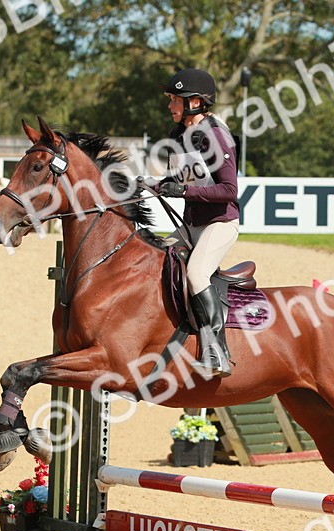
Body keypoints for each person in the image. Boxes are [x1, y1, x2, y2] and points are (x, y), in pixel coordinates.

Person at [143, 68, 240, 378]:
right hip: (190, 225)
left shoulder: (216, 135)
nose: (170, 105)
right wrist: (151, 185)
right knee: (153, 258)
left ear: (196, 102)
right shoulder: (180, 136)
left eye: (175, 99)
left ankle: (217, 352)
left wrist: (183, 190)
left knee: (197, 274)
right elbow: (182, 179)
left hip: (219, 224)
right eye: (171, 99)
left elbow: (229, 190)